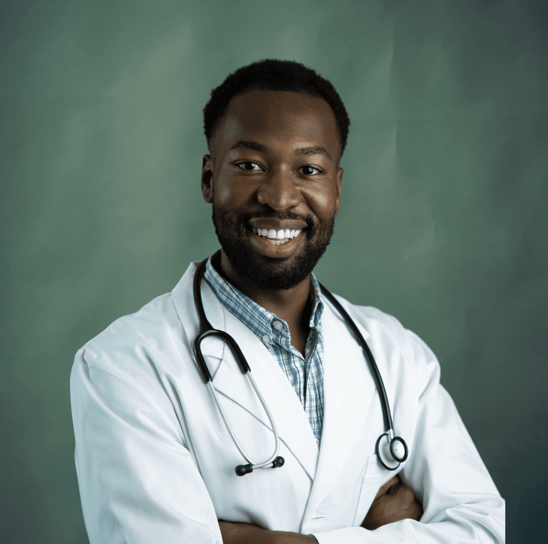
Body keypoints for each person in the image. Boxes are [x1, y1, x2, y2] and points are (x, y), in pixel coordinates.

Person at [70, 59, 505, 544]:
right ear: (209, 179)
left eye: (308, 169)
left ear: (336, 189)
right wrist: (375, 533)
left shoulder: (397, 355)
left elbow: (481, 530)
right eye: (250, 165)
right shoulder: (123, 365)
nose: (279, 198)